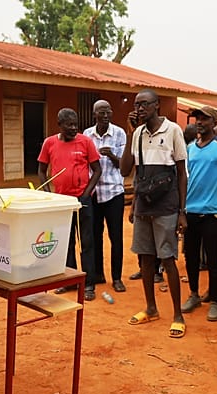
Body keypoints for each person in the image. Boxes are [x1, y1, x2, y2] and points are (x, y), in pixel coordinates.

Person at [120, 89, 188, 338]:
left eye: (145, 104)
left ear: (157, 105)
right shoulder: (137, 133)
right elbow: (126, 170)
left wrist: (182, 211)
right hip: (144, 206)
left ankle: (178, 315)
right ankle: (151, 308)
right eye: (136, 104)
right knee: (145, 259)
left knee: (167, 259)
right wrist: (130, 134)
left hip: (166, 206)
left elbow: (181, 174)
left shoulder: (173, 131)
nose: (139, 108)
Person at [38, 108, 102, 300]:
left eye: (76, 124)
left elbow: (97, 170)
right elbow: (41, 170)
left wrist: (86, 194)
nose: (74, 128)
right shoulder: (49, 143)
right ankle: (69, 281)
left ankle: (89, 284)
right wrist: (49, 195)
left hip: (83, 201)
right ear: (60, 125)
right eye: (69, 125)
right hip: (61, 203)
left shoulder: (86, 142)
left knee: (87, 242)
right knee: (66, 242)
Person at [180, 106, 217, 322]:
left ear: (214, 122)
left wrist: (216, 197)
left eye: (204, 119)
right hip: (191, 211)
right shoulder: (190, 147)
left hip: (211, 212)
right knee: (191, 256)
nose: (200, 122)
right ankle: (194, 294)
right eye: (198, 119)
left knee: (213, 258)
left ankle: (214, 300)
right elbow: (185, 177)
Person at [83, 100, 128, 293]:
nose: (106, 115)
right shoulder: (86, 135)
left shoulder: (119, 133)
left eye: (108, 111)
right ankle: (98, 274)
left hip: (113, 192)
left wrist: (111, 155)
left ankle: (117, 278)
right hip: (93, 192)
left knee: (115, 237)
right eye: (101, 112)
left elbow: (124, 165)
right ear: (94, 114)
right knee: (94, 236)